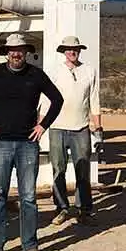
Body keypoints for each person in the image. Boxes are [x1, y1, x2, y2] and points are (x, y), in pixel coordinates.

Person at [0, 33, 64, 251]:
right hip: (0, 143)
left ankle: (30, 247)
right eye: (12, 50)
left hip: (27, 144)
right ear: (7, 52)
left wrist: (43, 125)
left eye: (20, 50)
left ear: (26, 52)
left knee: (29, 197)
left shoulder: (36, 74)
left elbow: (57, 100)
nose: (16, 53)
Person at [45, 35, 102, 226]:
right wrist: (41, 124)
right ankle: (61, 208)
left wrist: (98, 125)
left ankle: (84, 210)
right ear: (63, 51)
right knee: (58, 169)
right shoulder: (54, 71)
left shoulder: (89, 71)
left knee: (83, 169)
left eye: (75, 48)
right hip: (57, 127)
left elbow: (94, 99)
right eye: (68, 49)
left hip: (81, 127)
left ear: (79, 50)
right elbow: (45, 100)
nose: (72, 52)